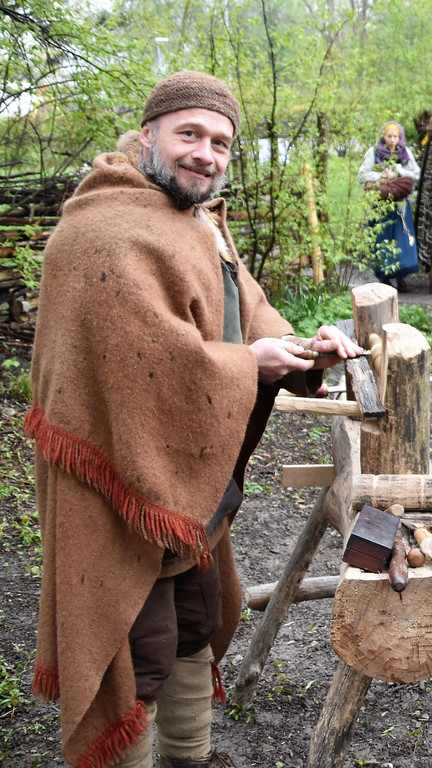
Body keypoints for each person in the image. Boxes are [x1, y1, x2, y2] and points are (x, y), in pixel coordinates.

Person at [25, 70, 363, 768]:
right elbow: (148, 359)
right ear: (148, 135)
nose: (205, 154)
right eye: (190, 134)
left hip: (188, 478)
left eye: (220, 142)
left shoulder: (197, 220)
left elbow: (246, 311)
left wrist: (306, 348)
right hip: (119, 486)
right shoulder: (101, 231)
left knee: (193, 622)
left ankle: (193, 758)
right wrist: (248, 366)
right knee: (136, 645)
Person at [358, 120, 421, 292]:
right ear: (383, 137)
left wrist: (398, 172)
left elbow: (416, 173)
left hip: (400, 204)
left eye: (395, 136)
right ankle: (384, 278)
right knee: (382, 239)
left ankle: (402, 278)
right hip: (381, 205)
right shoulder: (374, 152)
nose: (392, 140)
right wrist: (381, 176)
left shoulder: (405, 152)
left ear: (400, 137)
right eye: (389, 136)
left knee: (403, 240)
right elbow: (362, 175)